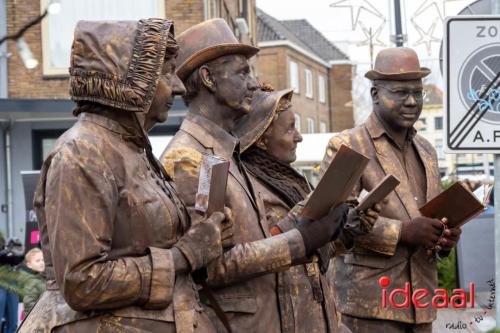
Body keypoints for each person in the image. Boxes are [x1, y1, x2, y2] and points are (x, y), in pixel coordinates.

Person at [19, 19, 228, 333]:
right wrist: (184, 256)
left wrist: (203, 236)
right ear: (130, 77)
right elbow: (81, 281)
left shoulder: (132, 150)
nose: (179, 86)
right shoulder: (81, 153)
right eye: (167, 72)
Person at [160, 18, 367, 333]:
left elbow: (251, 239)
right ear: (208, 78)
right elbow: (209, 263)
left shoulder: (224, 153)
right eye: (243, 72)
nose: (254, 84)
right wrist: (302, 239)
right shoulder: (194, 159)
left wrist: (308, 222)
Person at [320, 47, 462, 333]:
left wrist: (444, 236)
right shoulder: (348, 146)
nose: (412, 101)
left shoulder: (427, 151)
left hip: (422, 305)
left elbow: (430, 217)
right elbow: (329, 223)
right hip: (369, 307)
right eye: (399, 92)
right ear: (375, 94)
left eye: (417, 92)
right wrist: (401, 232)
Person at [233, 84, 382, 333]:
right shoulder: (246, 187)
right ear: (261, 138)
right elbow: (253, 259)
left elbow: (314, 254)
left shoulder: (291, 181)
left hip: (315, 316)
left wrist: (347, 230)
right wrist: (297, 225)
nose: (299, 136)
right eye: (290, 128)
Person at [0, 237, 24, 333]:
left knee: (13, 322)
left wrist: (15, 252)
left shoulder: (2, 239)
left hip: (11, 279)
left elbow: (18, 259)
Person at [19, 248, 45, 314]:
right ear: (29, 265)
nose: (41, 263)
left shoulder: (43, 278)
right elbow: (29, 304)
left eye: (43, 260)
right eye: (37, 261)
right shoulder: (31, 282)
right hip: (38, 318)